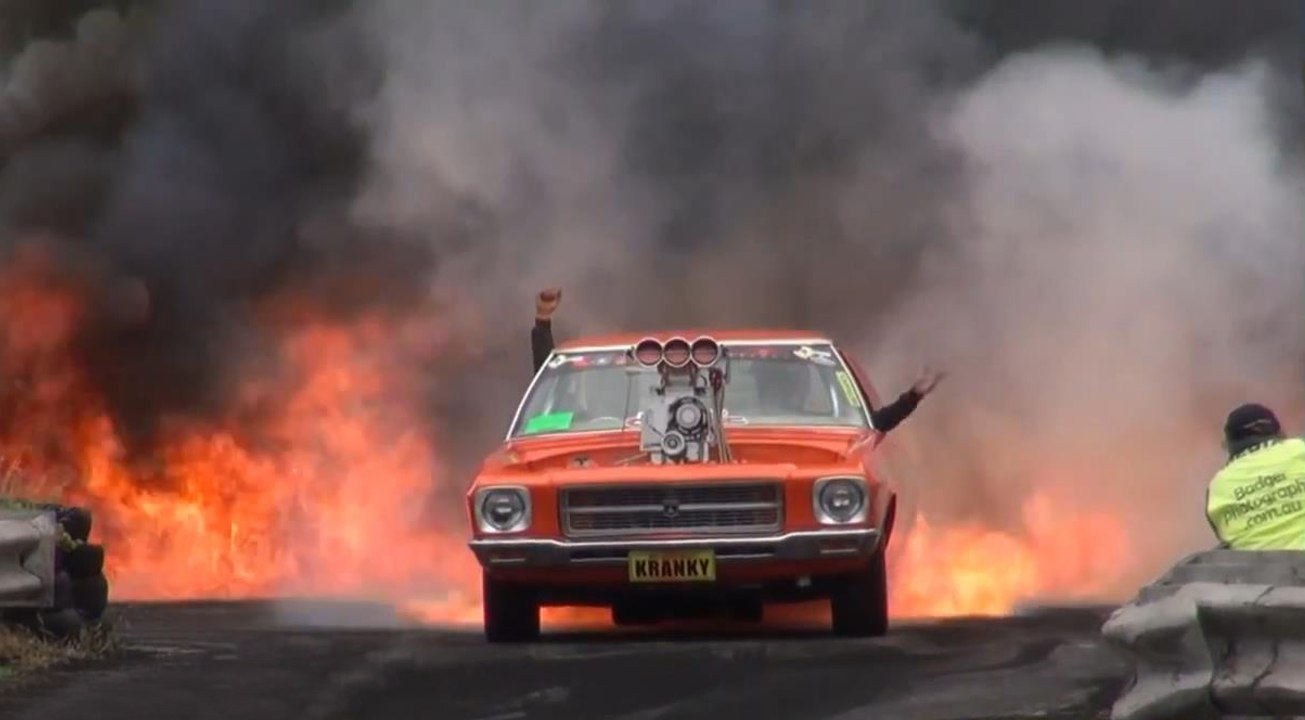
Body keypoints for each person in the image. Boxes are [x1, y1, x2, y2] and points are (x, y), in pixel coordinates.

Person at [529, 288, 942, 435]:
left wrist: (913, 396)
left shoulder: (827, 436)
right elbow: (551, 389)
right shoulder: (601, 424)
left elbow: (871, 426)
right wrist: (543, 325)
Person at [1205, 403, 1305, 550]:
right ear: (1279, 432)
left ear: (1229, 445)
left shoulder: (1218, 486)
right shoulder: (1299, 449)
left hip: (1259, 571)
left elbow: (1225, 538)